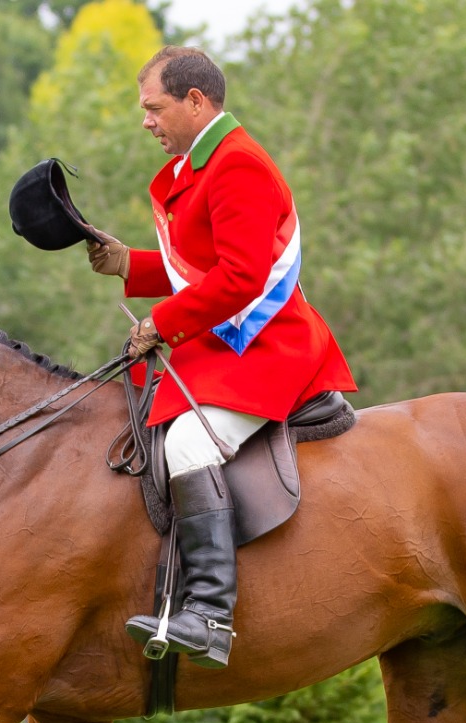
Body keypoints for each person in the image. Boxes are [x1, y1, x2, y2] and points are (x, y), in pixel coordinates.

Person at [86, 46, 357, 669]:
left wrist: (160, 322)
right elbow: (198, 271)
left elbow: (239, 279)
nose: (146, 122)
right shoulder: (201, 167)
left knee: (189, 444)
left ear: (195, 102)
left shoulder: (238, 167)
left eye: (154, 109)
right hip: (226, 342)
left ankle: (209, 614)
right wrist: (129, 263)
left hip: (268, 346)